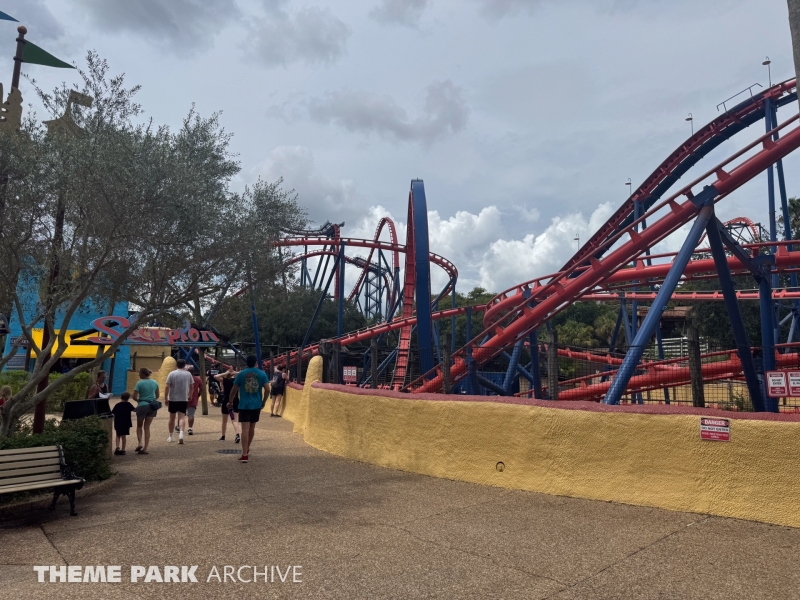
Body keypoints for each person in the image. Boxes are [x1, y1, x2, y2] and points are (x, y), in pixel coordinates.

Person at [229, 355, 270, 463]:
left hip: (244, 405)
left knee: (245, 430)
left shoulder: (241, 374)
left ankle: (244, 454)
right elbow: (267, 389)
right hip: (256, 405)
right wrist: (264, 401)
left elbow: (234, 389)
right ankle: (247, 447)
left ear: (247, 363)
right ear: (256, 362)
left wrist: (230, 401)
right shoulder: (262, 374)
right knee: (252, 428)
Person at [165, 358, 194, 444]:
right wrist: (190, 395)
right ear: (184, 365)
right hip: (183, 398)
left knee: (172, 417)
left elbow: (167, 386)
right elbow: (192, 386)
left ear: (176, 365)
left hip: (173, 398)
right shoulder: (188, 374)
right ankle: (181, 434)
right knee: (182, 417)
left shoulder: (171, 373)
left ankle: (170, 436)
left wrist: (166, 398)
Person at [132, 368, 159, 455]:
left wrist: (139, 400)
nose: (139, 375)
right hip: (152, 406)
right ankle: (145, 448)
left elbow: (134, 397)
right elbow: (157, 395)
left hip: (142, 405)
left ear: (143, 374)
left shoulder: (139, 383)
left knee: (139, 426)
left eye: (139, 373)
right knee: (147, 427)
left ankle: (140, 443)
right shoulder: (155, 382)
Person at [215, 368, 240, 443]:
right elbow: (242, 373)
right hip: (235, 400)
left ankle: (223, 436)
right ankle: (237, 434)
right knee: (234, 419)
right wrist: (235, 372)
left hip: (226, 400)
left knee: (224, 420)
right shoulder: (236, 381)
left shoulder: (225, 380)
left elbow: (216, 376)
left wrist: (225, 373)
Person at [187, 367, 202, 435]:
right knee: (191, 414)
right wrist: (198, 394)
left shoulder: (184, 379)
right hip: (193, 398)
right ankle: (190, 428)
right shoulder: (197, 379)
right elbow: (202, 388)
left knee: (181, 414)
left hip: (183, 398)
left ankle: (179, 426)